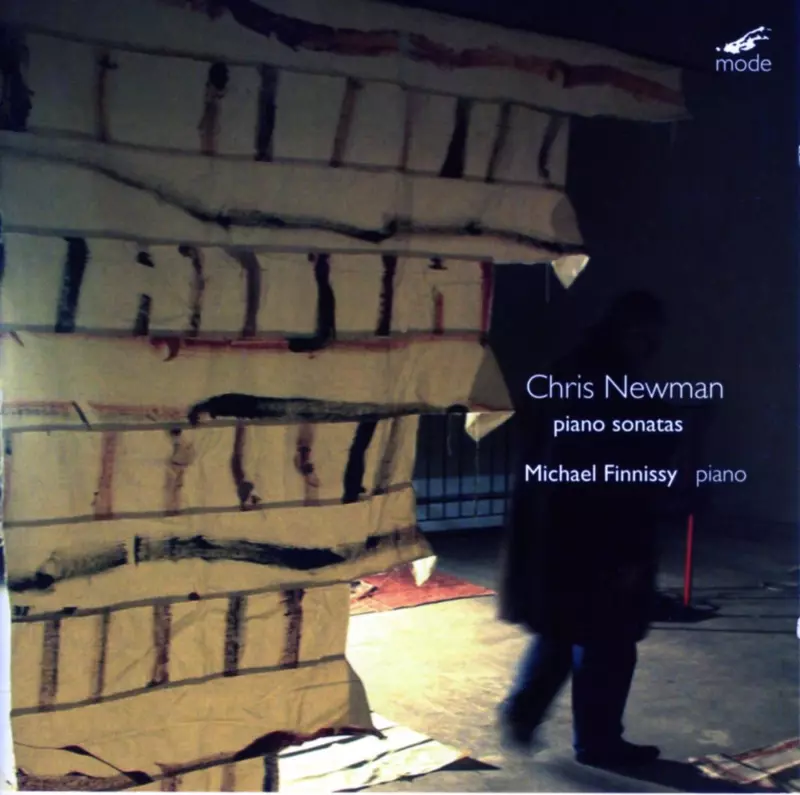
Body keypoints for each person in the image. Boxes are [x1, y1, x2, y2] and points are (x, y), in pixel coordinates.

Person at [497, 290, 674, 768]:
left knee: (563, 628)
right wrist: (626, 552)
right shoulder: (611, 385)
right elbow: (613, 472)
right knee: (608, 640)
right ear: (632, 329)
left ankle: (524, 711)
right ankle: (597, 742)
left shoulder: (568, 372)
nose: (653, 342)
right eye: (648, 332)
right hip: (596, 533)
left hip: (557, 531)